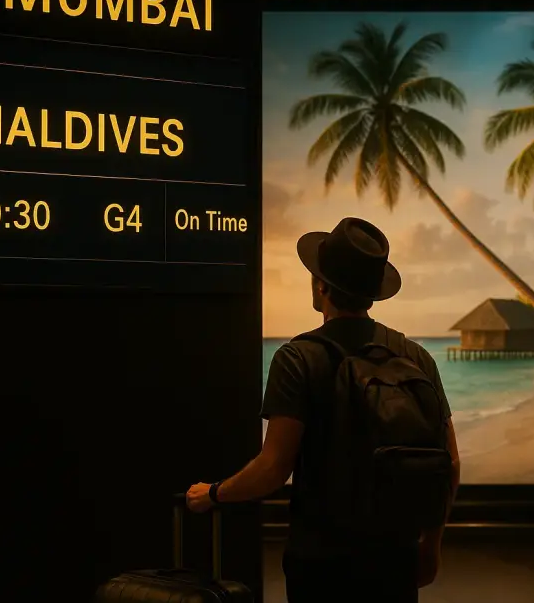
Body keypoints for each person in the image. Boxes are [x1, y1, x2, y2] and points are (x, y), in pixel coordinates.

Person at [187, 217, 460, 602]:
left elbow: (273, 469)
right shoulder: (415, 356)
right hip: (395, 557)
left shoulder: (297, 358)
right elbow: (449, 462)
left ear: (321, 286)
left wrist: (214, 494)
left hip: (322, 563)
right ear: (373, 292)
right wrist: (429, 547)